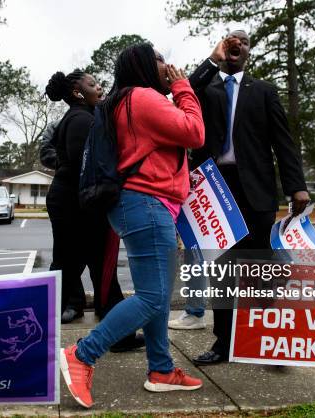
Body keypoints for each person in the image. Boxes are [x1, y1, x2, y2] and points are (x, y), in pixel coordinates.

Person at [60, 42, 226, 408]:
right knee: (153, 296)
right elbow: (195, 133)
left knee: (156, 296)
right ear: (144, 66)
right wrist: (183, 88)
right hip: (147, 204)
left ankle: (161, 370)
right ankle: (82, 354)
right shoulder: (143, 97)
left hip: (144, 206)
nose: (168, 65)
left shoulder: (126, 99)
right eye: (161, 60)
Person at [179, 30, 310, 364]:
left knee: (262, 272)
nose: (237, 45)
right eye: (230, 41)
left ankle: (268, 342)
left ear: (251, 52)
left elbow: (284, 141)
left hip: (257, 192)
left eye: (244, 42)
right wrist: (214, 59)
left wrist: (296, 186)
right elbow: (183, 93)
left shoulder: (264, 91)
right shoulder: (206, 89)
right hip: (215, 191)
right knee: (223, 271)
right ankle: (224, 343)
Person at [44, 69, 145, 352]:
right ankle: (117, 335)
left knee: (94, 268)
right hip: (76, 204)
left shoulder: (82, 117)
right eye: (93, 84)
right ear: (78, 92)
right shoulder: (81, 119)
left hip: (74, 202)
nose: (99, 87)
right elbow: (83, 166)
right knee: (84, 266)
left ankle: (118, 335)